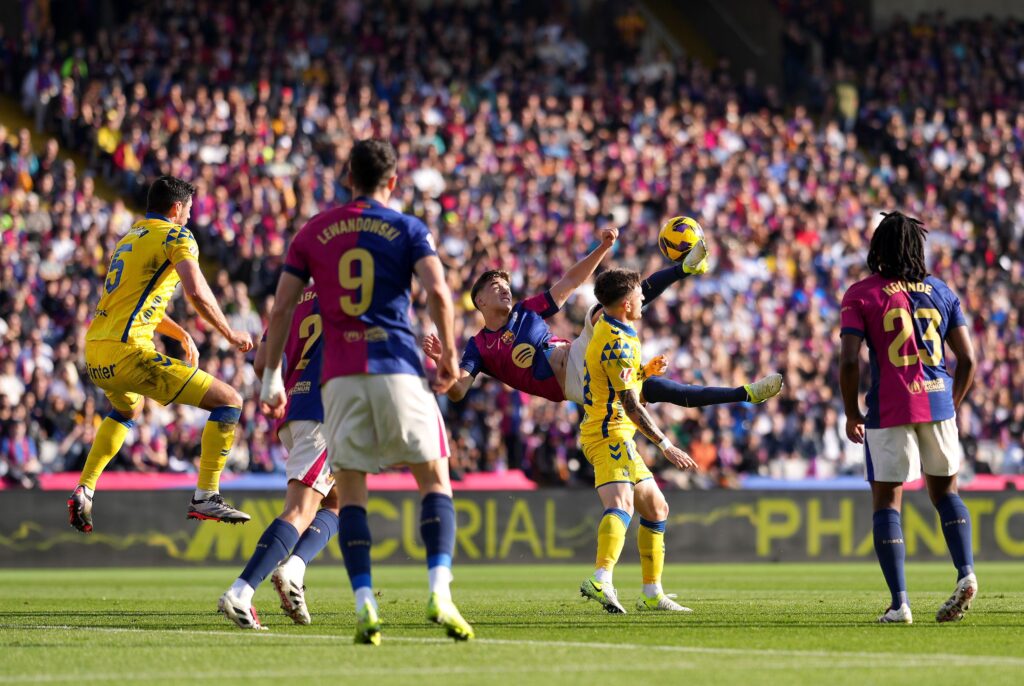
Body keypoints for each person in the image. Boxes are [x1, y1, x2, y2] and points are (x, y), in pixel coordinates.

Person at [259, 139, 473, 644]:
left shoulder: (312, 231)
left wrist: (271, 376)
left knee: (349, 495)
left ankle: (364, 605)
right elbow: (440, 294)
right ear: (393, 182)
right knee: (435, 479)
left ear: (347, 178)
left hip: (339, 378)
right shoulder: (408, 228)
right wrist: (447, 360)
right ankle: (440, 591)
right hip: (397, 365)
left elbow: (282, 310)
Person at [68, 175, 254, 531]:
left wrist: (181, 332)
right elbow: (197, 292)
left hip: (95, 353)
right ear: (176, 208)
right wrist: (229, 333)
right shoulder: (176, 236)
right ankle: (207, 495)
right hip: (130, 353)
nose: (189, 217)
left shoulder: (130, 238)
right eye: (188, 210)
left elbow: (137, 304)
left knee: (127, 408)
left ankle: (86, 488)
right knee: (229, 401)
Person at [424, 229, 782, 412]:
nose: (504, 290)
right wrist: (443, 359)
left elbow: (568, 283)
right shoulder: (478, 347)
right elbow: (457, 392)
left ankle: (684, 269)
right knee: (646, 384)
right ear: (479, 300)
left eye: (505, 284)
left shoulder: (526, 311)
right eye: (495, 286)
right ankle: (745, 393)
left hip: (581, 352)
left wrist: (603, 249)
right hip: (572, 384)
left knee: (612, 315)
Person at [839, 211, 978, 624]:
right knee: (946, 494)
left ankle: (900, 603)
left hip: (891, 405)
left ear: (878, 248)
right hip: (938, 403)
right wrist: (950, 402)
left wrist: (851, 413)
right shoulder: (941, 291)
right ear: (918, 247)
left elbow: (849, 361)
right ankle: (966, 571)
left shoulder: (861, 293)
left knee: (887, 502)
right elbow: (968, 359)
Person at [218, 286, 341, 630]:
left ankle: (294, 569)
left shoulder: (292, 297)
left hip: (294, 408)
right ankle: (241, 590)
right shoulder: (348, 287)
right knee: (301, 510)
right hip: (325, 411)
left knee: (339, 500)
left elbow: (260, 363)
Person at [577, 268, 698, 614]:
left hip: (616, 430)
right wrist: (665, 445)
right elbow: (631, 404)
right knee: (623, 504)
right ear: (627, 302)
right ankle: (601, 577)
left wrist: (644, 372)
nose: (644, 297)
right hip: (608, 432)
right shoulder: (617, 341)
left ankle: (651, 593)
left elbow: (619, 381)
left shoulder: (615, 327)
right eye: (639, 294)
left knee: (656, 508)